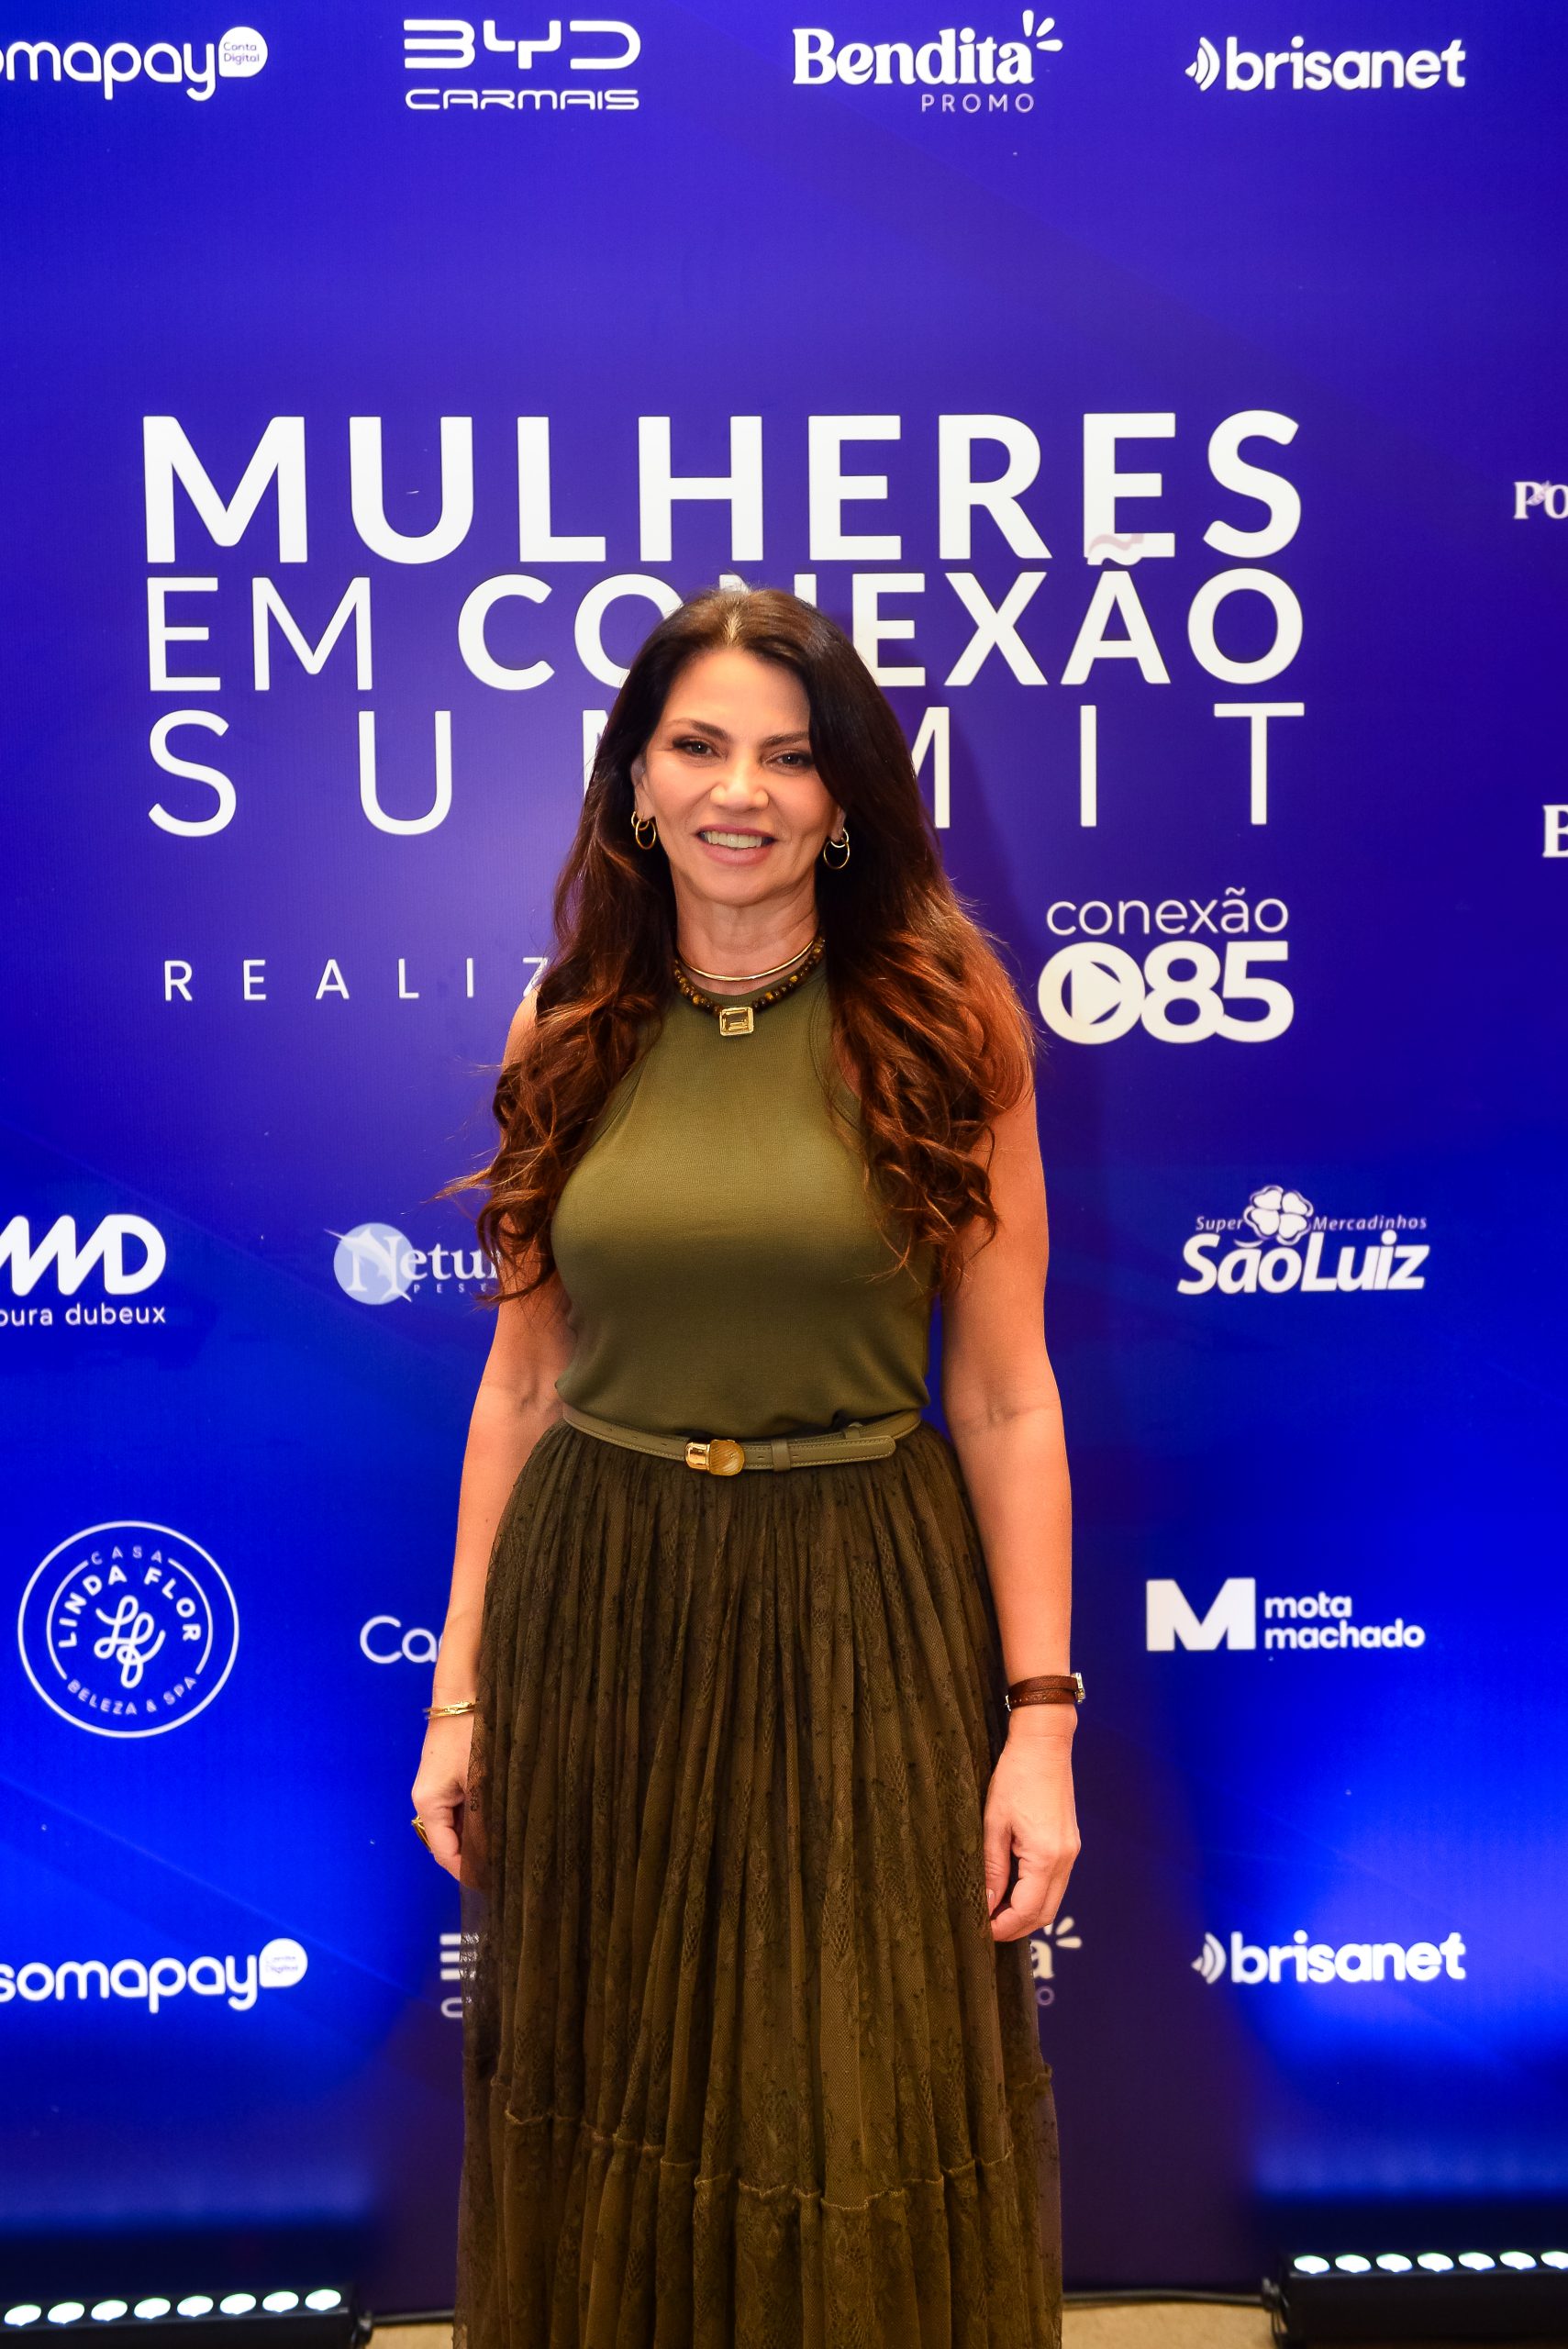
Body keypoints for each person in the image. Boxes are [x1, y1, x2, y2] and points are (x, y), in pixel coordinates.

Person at [412, 584, 1079, 2349]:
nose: (739, 791)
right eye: (697, 746)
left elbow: (1006, 1398)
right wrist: (460, 1693)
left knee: (850, 2092)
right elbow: (518, 1385)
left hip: (858, 1596)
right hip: (600, 1599)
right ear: (634, 781)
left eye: (787, 757)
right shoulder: (564, 1023)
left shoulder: (946, 1022)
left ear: (843, 796)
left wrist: (1039, 1721)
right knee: (611, 2088)